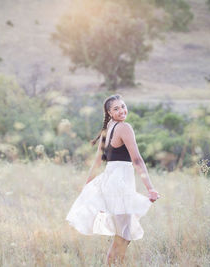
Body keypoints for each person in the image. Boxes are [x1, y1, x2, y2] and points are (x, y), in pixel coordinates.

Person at [66, 94, 160, 266]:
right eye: (116, 109)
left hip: (112, 181)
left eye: (123, 106)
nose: (121, 111)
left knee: (123, 234)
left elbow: (97, 161)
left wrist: (87, 186)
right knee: (124, 236)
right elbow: (137, 159)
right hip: (119, 183)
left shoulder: (108, 128)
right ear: (109, 112)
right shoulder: (124, 128)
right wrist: (150, 189)